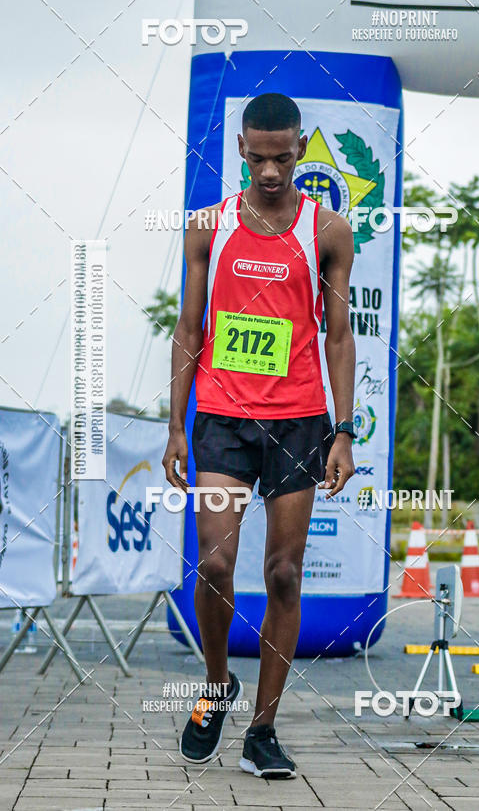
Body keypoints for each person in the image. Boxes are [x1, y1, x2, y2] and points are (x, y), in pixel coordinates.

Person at [163, 92, 356, 778]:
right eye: (258, 157)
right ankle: (217, 685)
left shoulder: (329, 230)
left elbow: (338, 335)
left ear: (300, 150)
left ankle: (263, 730)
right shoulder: (206, 228)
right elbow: (189, 330)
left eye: (283, 157)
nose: (271, 171)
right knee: (214, 566)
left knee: (282, 574)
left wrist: (343, 431)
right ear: (240, 151)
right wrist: (176, 425)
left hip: (300, 420)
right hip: (220, 415)